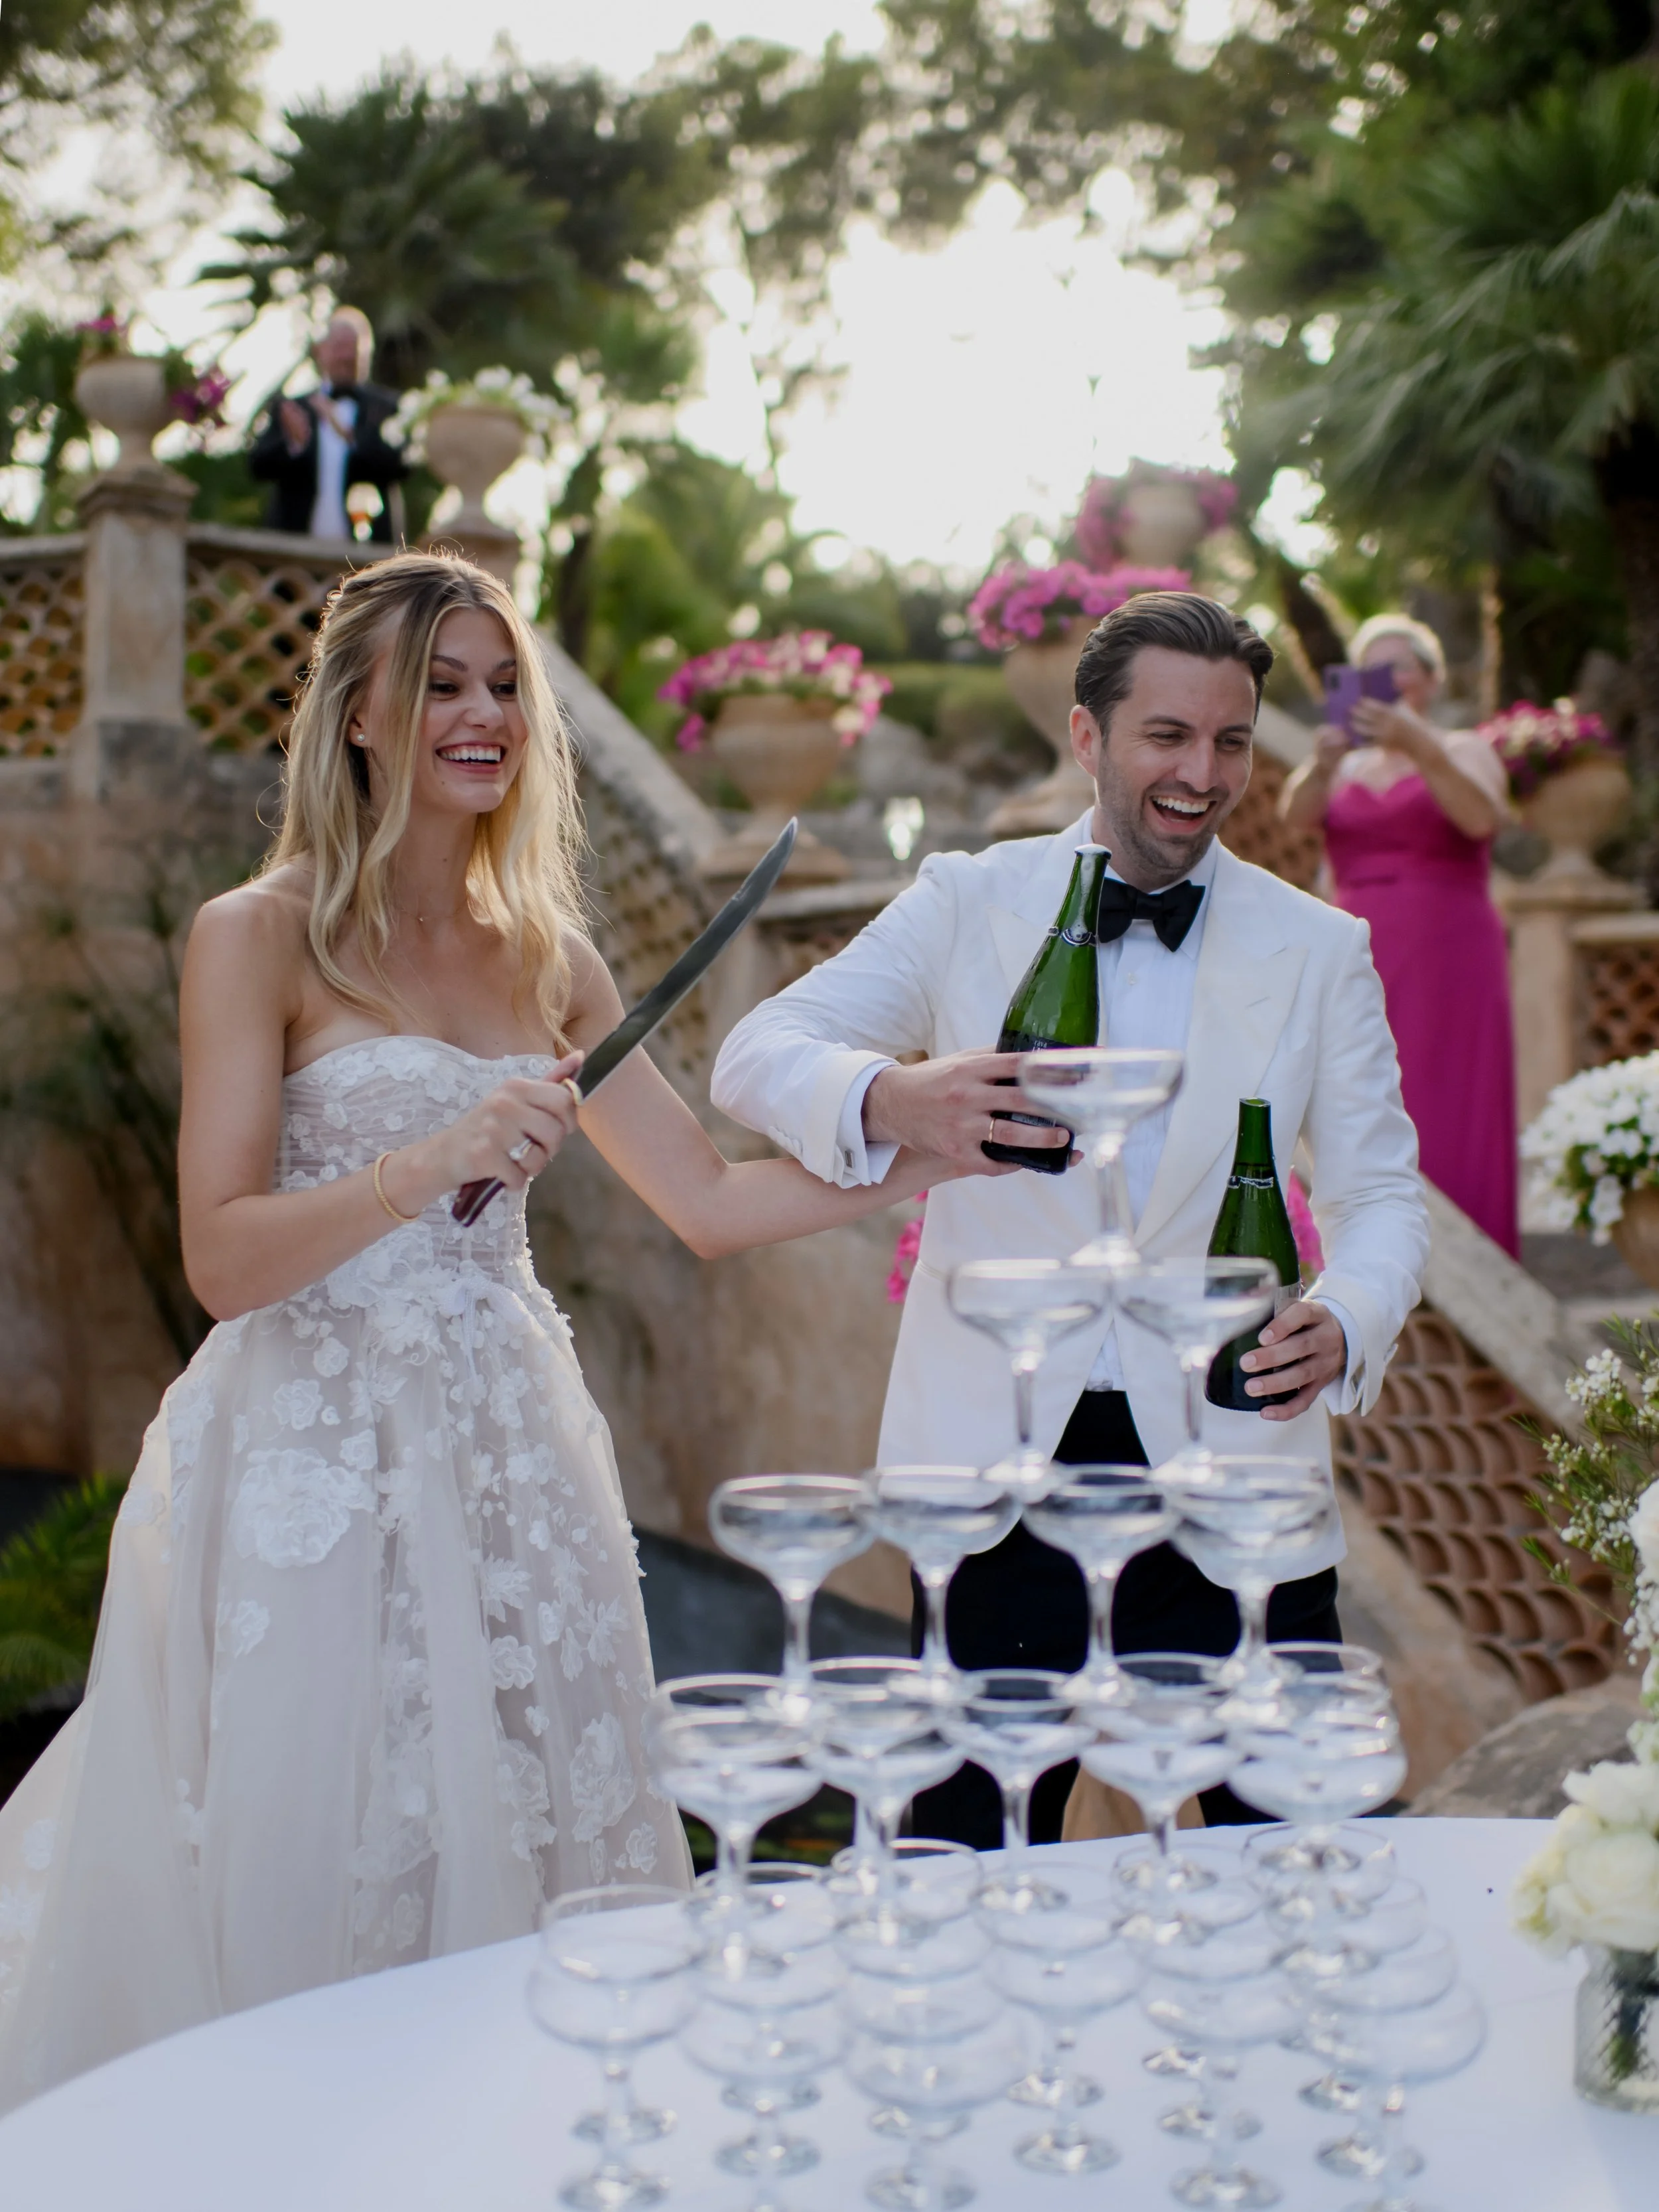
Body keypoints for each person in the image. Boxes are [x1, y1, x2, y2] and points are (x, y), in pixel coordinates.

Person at [0, 553, 970, 2109]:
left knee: (532, 1831)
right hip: (307, 1462)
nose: (484, 713)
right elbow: (222, 1260)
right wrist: (418, 1164)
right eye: (446, 683)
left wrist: (923, 1141)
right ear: (363, 713)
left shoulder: (552, 957)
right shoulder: (257, 936)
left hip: (511, 1451)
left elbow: (710, 1203)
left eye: (506, 683)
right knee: (324, 1839)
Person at [712, 591, 1429, 1847]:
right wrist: (898, 1094)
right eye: (1167, 735)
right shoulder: (965, 899)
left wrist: (1344, 1314)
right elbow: (758, 1053)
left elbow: (1380, 1198)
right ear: (1085, 736)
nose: (1202, 774)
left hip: (1236, 1465)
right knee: (964, 1859)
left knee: (1294, 1860)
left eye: (1230, 741)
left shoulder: (1320, 947)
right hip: (990, 1477)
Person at [1278, 612, 1518, 1254]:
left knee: (1445, 1094)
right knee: (1363, 1090)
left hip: (1450, 948)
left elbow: (1479, 820)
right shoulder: (1345, 765)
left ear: (1431, 680)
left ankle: (1470, 1254)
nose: (1384, 684)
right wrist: (1321, 765)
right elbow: (1295, 817)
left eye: (1399, 668)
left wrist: (1422, 748)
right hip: (1361, 946)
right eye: (1369, 672)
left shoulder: (1463, 748)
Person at [247, 306, 407, 543]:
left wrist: (350, 436)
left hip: (368, 557)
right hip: (294, 552)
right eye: (339, 347)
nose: (346, 357)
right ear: (320, 351)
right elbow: (257, 466)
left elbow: (401, 467)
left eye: (354, 348)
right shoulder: (295, 408)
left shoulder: (385, 408)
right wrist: (295, 445)